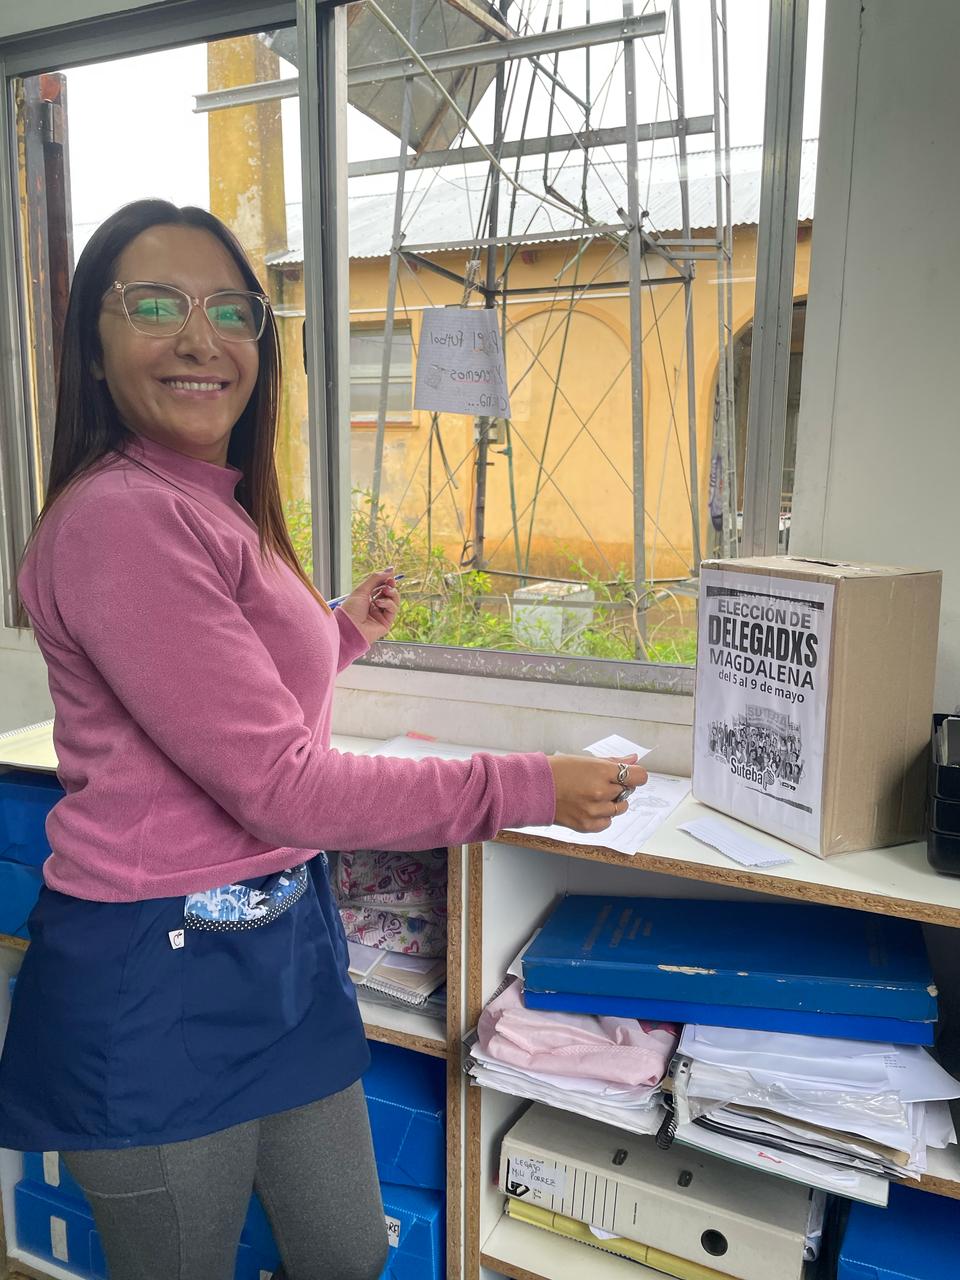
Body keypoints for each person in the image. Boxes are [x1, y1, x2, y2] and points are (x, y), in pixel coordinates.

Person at [0, 199, 648, 1280]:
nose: (199, 338)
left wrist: (339, 633)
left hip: (280, 939)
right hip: (155, 969)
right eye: (154, 305)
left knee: (347, 1250)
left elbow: (226, 692)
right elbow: (278, 782)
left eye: (230, 311)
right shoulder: (121, 517)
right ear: (95, 349)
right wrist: (529, 783)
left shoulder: (214, 503)